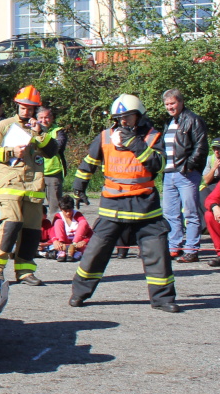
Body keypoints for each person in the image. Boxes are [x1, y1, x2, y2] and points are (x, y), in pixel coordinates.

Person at [70, 94, 180, 313]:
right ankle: (79, 293)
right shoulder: (105, 137)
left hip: (145, 206)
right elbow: (89, 162)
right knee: (95, 252)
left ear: (139, 116)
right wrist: (78, 186)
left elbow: (157, 164)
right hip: (113, 206)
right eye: (119, 118)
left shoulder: (152, 137)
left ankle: (162, 299)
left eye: (128, 117)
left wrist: (133, 143)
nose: (123, 122)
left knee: (157, 254)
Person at [0, 85, 58, 286]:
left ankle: (25, 271)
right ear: (17, 106)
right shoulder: (3, 126)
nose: (26, 112)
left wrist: (40, 133)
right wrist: (9, 152)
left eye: (30, 108)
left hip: (33, 187)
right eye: (23, 107)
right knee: (11, 225)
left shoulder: (39, 129)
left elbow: (52, 151)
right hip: (10, 185)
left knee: (32, 231)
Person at [160, 88, 208, 263]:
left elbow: (201, 146)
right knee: (170, 213)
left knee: (190, 212)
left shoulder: (193, 120)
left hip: (186, 173)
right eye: (167, 104)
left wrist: (189, 166)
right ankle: (174, 247)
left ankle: (192, 249)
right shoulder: (169, 123)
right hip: (169, 172)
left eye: (172, 103)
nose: (170, 107)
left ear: (180, 102)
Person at [36, 106, 68, 217]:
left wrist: (41, 136)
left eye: (47, 117)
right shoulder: (31, 130)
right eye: (41, 118)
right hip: (36, 172)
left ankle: (56, 231)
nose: (44, 120)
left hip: (53, 174)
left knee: (55, 209)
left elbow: (58, 147)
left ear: (52, 118)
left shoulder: (58, 131)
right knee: (34, 207)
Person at [48, 195, 92, 262]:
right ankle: (63, 250)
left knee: (83, 222)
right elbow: (52, 231)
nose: (68, 213)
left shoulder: (77, 215)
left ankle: (73, 248)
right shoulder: (58, 216)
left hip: (76, 243)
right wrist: (55, 241)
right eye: (65, 211)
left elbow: (88, 230)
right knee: (58, 222)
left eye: (70, 210)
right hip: (63, 243)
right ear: (60, 208)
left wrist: (84, 241)